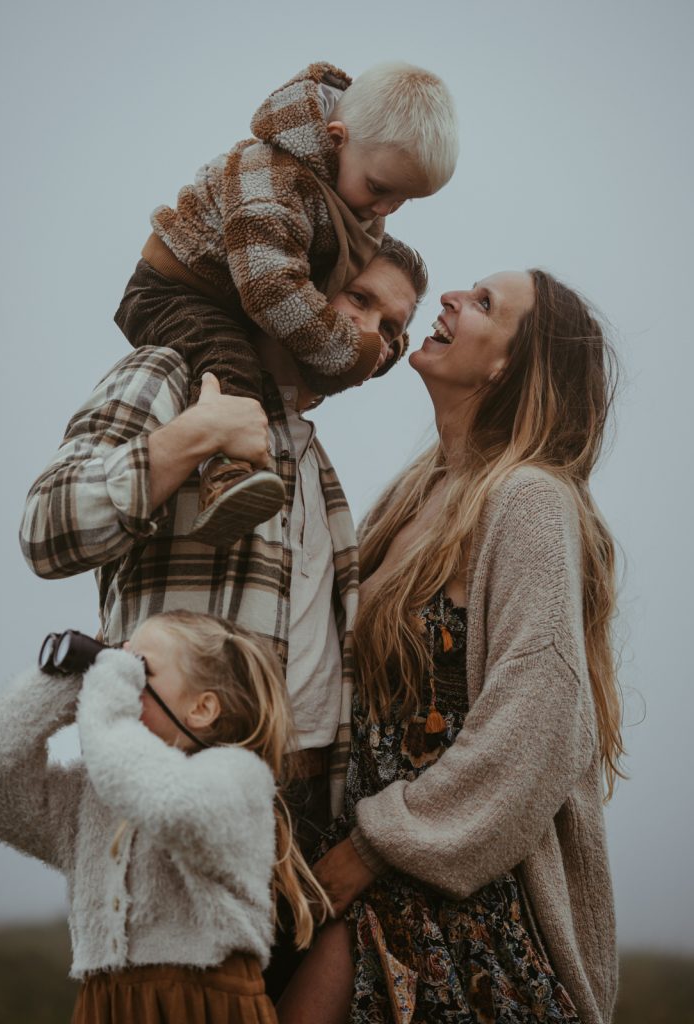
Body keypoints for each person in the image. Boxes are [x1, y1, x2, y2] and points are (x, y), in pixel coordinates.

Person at [20, 238, 427, 999]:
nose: (378, 336)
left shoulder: (316, 462)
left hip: (297, 819)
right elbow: (46, 528)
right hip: (179, 805)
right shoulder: (173, 373)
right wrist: (194, 436)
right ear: (298, 289)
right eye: (361, 300)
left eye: (396, 330)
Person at [277, 270, 622, 1024]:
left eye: (484, 304)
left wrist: (376, 847)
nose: (451, 301)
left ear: (511, 364)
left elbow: (534, 726)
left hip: (449, 911)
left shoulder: (530, 500)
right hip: (347, 882)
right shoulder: (413, 495)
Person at [115, 60, 457, 545]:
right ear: (336, 138)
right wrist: (348, 348)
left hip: (233, 296)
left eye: (403, 200)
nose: (384, 209)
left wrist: (374, 349)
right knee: (227, 363)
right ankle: (228, 476)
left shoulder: (352, 192)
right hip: (176, 289)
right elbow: (271, 287)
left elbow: (324, 289)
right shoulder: (269, 172)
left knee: (241, 353)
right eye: (381, 189)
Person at [0, 610, 332, 1023]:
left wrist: (106, 703)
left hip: (201, 1005)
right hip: (104, 1005)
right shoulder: (94, 798)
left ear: (202, 707)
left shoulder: (239, 779)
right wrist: (60, 686)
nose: (117, 675)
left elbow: (163, 800)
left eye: (139, 669)